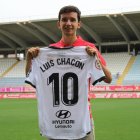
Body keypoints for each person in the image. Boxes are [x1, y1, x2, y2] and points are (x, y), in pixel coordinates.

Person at [25, 5, 112, 140]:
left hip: (82, 121)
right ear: (59, 24)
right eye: (64, 20)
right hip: (55, 123)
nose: (68, 23)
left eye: (72, 20)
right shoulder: (48, 52)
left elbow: (108, 78)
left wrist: (95, 57)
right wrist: (29, 59)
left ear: (79, 24)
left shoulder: (88, 49)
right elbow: (31, 78)